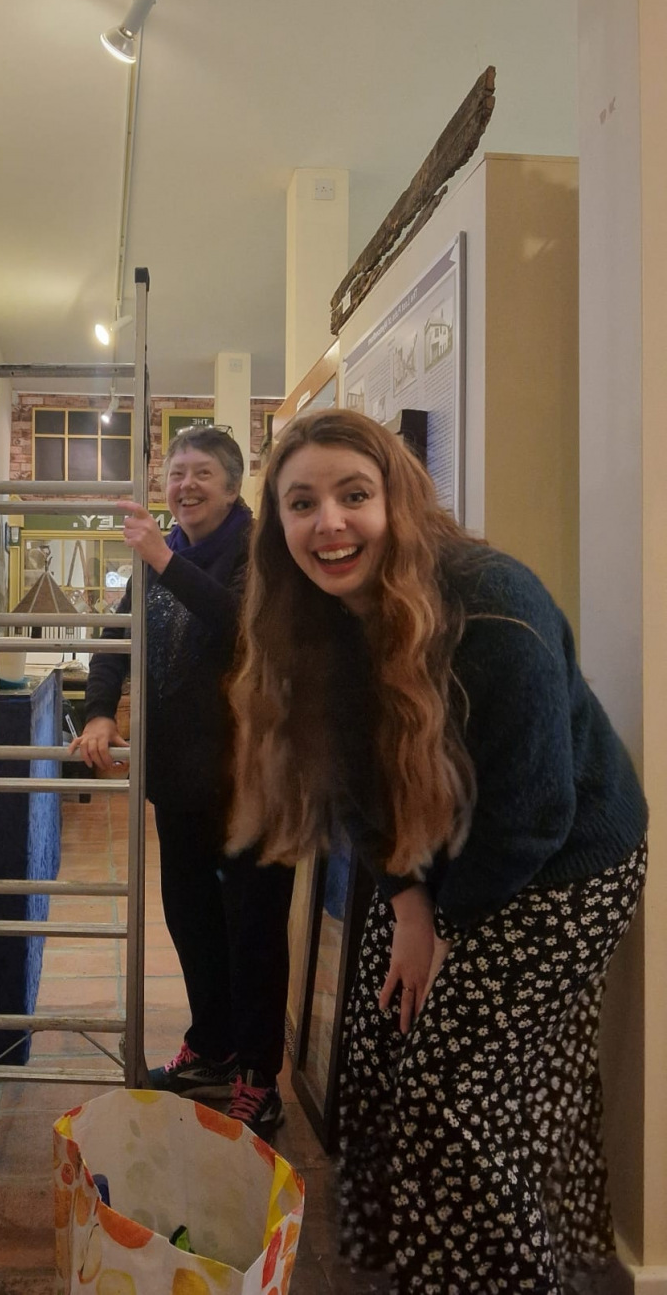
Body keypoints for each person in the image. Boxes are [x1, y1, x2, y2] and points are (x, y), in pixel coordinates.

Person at [228, 409, 647, 1291]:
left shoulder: (495, 605)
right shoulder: (320, 616)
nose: (328, 523)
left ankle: (512, 1275)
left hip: (560, 865)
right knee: (383, 1051)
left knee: (455, 1097)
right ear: (280, 526)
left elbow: (534, 812)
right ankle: (406, 1266)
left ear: (399, 498)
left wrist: (445, 921)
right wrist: (410, 905)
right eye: (301, 503)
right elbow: (355, 786)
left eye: (353, 495)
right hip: (443, 858)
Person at [71, 425, 295, 1138]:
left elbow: (241, 626)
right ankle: (213, 1047)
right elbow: (115, 641)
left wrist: (163, 557)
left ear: (233, 485)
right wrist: (101, 713)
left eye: (200, 473)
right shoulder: (157, 558)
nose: (184, 486)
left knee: (252, 933)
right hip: (180, 784)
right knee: (193, 924)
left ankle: (259, 1078)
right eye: (175, 474)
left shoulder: (266, 551)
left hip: (253, 788)